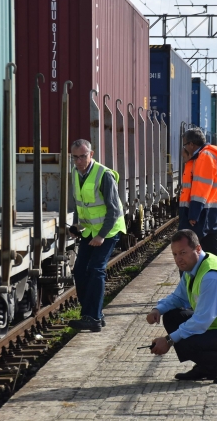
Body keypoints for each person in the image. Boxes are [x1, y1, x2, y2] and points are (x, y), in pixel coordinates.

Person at [145, 230, 217, 383]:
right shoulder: (191, 268)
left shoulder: (212, 276)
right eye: (175, 254)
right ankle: (208, 367)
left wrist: (169, 340)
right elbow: (179, 297)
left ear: (198, 249)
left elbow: (201, 321)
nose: (178, 259)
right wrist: (158, 309)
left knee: (185, 338)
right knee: (171, 316)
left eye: (183, 252)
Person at [68, 139, 126, 332]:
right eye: (75, 157)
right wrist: (77, 226)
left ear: (91, 155)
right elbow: (82, 204)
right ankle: (92, 314)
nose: (78, 161)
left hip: (108, 230)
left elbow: (114, 211)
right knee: (78, 270)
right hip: (90, 231)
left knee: (96, 269)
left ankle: (93, 316)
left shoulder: (104, 175)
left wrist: (101, 235)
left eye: (82, 156)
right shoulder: (75, 174)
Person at [180, 128, 217, 258]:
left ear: (191, 144)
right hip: (215, 213)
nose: (184, 148)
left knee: (207, 253)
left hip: (204, 215)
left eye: (185, 145)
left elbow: (202, 187)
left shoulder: (204, 157)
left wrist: (193, 214)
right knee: (211, 252)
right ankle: (215, 277)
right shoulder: (214, 155)